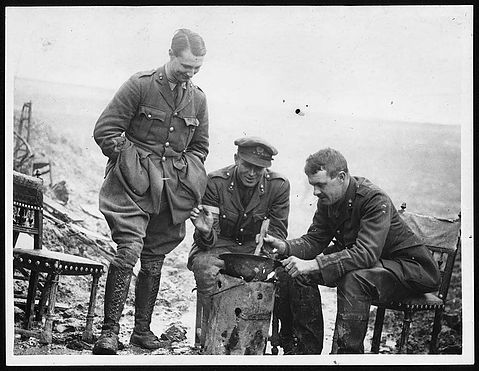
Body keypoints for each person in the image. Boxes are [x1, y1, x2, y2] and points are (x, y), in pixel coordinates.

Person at [92, 29, 209, 355]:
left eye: (197, 69)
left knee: (155, 259)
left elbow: (200, 148)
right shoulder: (140, 85)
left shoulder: (198, 99)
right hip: (130, 185)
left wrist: (187, 175)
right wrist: (131, 162)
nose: (191, 74)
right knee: (128, 250)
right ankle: (109, 332)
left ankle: (141, 331)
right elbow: (106, 130)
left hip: (170, 191)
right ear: (170, 54)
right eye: (186, 66)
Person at [263, 147, 441, 354]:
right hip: (374, 266)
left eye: (321, 184)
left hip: (410, 271)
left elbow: (366, 253)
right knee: (292, 273)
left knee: (355, 279)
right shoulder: (328, 200)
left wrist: (314, 264)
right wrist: (284, 246)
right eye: (313, 185)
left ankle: (345, 356)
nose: (315, 192)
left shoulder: (374, 199)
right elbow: (315, 239)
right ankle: (305, 352)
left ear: (341, 177)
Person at [188, 137, 324, 354]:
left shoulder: (278, 186)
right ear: (236, 159)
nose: (252, 173)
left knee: (286, 273)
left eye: (259, 168)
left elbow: (278, 230)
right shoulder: (215, 182)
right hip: (218, 247)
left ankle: (276, 340)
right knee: (204, 266)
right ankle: (210, 335)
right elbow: (208, 237)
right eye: (247, 165)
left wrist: (270, 245)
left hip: (254, 250)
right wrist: (204, 231)